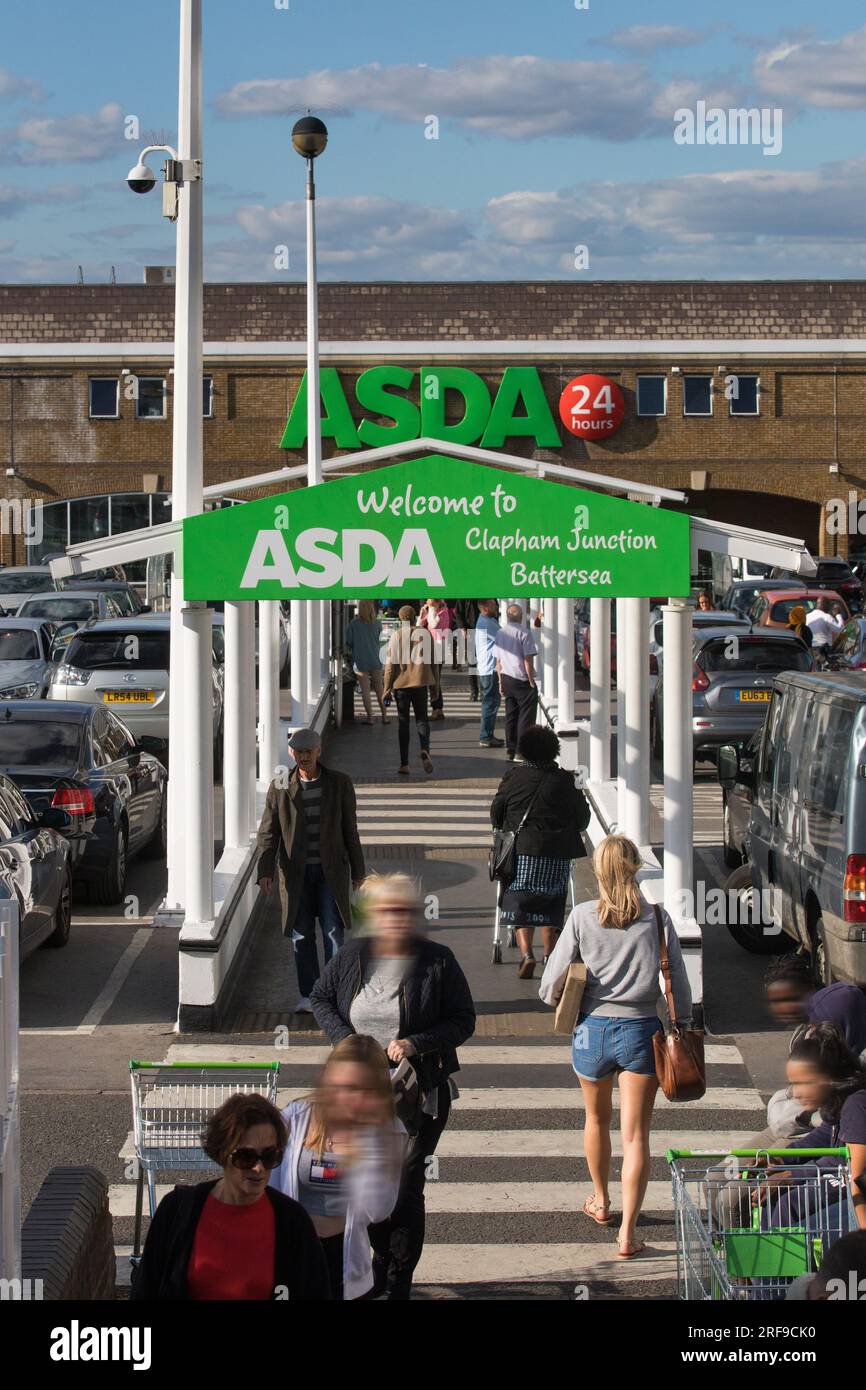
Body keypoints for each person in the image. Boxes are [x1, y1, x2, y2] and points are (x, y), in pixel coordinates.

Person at [310, 872, 476, 1299]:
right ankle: (369, 1270)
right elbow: (320, 998)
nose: (396, 920)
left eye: (404, 912)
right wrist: (345, 1039)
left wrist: (415, 1043)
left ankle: (396, 1280)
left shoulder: (438, 961)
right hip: (358, 1099)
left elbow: (463, 1020)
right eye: (388, 912)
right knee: (363, 1184)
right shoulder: (352, 956)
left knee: (402, 1188)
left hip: (416, 1099)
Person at [540, 834, 693, 1259]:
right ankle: (628, 1234)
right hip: (642, 1030)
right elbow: (677, 981)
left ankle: (601, 1200)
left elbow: (550, 983)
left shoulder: (583, 917)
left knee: (595, 1119)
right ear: (635, 869)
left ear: (597, 871)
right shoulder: (657, 919)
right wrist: (685, 1025)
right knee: (637, 1136)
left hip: (591, 1029)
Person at [131, 1094, 330, 1300]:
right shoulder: (176, 1211)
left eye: (269, 1156)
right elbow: (145, 1290)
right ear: (223, 1153)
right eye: (246, 1157)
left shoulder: (293, 1221)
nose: (259, 1168)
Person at [270, 1034, 406, 1300]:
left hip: (345, 1262)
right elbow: (270, 1191)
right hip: (295, 1256)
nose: (352, 1098)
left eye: (364, 1089)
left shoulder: (387, 1132)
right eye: (345, 1086)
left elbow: (377, 1210)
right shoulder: (295, 1118)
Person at [256, 727, 365, 1013]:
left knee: (333, 934)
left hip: (332, 873)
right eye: (298, 752)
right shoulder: (279, 787)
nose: (303, 757)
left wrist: (358, 872)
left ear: (319, 751)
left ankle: (334, 995)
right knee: (301, 936)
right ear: (291, 753)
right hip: (296, 876)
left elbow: (350, 830)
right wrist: (264, 871)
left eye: (308, 751)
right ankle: (309, 994)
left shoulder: (340, 784)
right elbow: (268, 833)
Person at [491, 724, 590, 977]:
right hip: (557, 852)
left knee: (519, 897)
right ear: (553, 751)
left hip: (522, 850)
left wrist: (503, 827)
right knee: (552, 899)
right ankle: (550, 954)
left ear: (524, 751)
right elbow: (583, 819)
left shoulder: (513, 777)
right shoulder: (567, 781)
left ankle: (526, 954)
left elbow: (496, 812)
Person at [760, 954, 866, 1141]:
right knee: (736, 1163)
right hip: (806, 1128)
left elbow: (842, 1149)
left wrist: (795, 1168)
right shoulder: (809, 1039)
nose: (817, 1032)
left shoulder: (855, 1082)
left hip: (822, 1135)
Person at [382, 605, 435, 776]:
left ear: (400, 619)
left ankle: (404, 764)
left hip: (401, 685)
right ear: (414, 617)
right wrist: (436, 687)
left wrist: (386, 689)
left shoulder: (397, 635)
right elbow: (435, 663)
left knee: (403, 723)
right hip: (420, 684)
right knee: (422, 720)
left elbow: (390, 666)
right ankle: (425, 748)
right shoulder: (425, 634)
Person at [494, 603, 538, 761]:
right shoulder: (525, 633)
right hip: (521, 679)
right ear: (520, 618)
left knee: (511, 714)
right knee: (526, 715)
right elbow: (528, 660)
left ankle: (510, 749)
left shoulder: (500, 633)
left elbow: (498, 661)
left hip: (506, 677)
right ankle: (521, 750)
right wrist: (531, 681)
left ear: (507, 616)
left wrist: (500, 682)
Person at [345, 600, 387, 725]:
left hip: (360, 661)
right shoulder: (377, 623)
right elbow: (381, 641)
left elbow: (349, 642)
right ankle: (385, 715)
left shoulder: (353, 624)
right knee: (380, 690)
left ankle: (370, 718)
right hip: (376, 659)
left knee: (365, 691)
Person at [475, 599, 503, 748]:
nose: (496, 607)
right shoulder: (488, 623)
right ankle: (486, 736)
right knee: (490, 703)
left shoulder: (484, 621)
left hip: (485, 668)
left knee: (489, 702)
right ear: (485, 608)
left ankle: (487, 735)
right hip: (490, 669)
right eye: (493, 605)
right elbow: (505, 638)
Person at [420, 597, 450, 719]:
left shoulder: (442, 613)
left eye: (429, 602)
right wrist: (422, 615)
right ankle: (438, 709)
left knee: (433, 681)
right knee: (434, 680)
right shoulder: (435, 613)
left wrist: (431, 609)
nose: (427, 603)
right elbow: (420, 625)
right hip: (433, 649)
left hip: (437, 650)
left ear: (436, 603)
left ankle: (436, 709)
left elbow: (432, 624)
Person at [455, 598, 480, 700]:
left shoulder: (485, 591)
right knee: (472, 663)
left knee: (485, 662)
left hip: (484, 629)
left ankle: (483, 690)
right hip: (470, 631)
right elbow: (458, 613)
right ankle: (474, 691)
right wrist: (462, 628)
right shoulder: (464, 596)